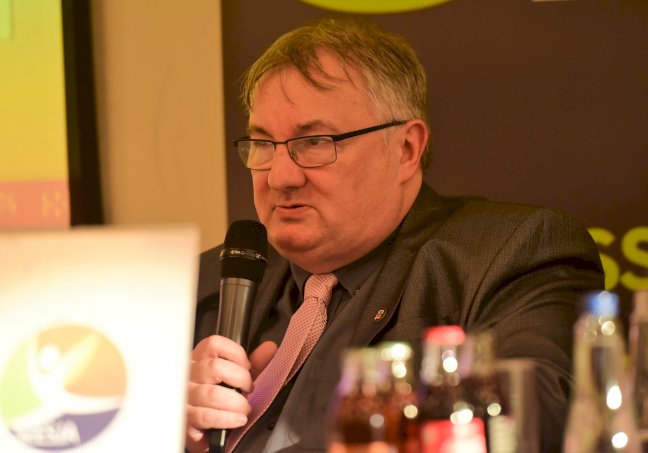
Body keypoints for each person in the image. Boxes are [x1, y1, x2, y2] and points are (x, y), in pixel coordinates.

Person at [185, 17, 604, 453]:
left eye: (315, 142)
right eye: (263, 144)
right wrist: (163, 422)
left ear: (406, 149)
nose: (279, 177)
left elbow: (525, 421)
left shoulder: (513, 252)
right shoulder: (204, 282)